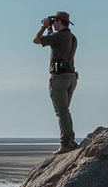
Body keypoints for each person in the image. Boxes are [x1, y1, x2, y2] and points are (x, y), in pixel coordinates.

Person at [34, 11, 79, 152]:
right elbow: (54, 43)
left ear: (60, 22)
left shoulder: (59, 36)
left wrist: (43, 27)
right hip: (71, 77)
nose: (52, 23)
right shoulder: (72, 37)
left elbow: (36, 40)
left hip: (59, 79)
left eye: (54, 21)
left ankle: (66, 143)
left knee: (61, 112)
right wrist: (50, 30)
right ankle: (70, 140)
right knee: (65, 111)